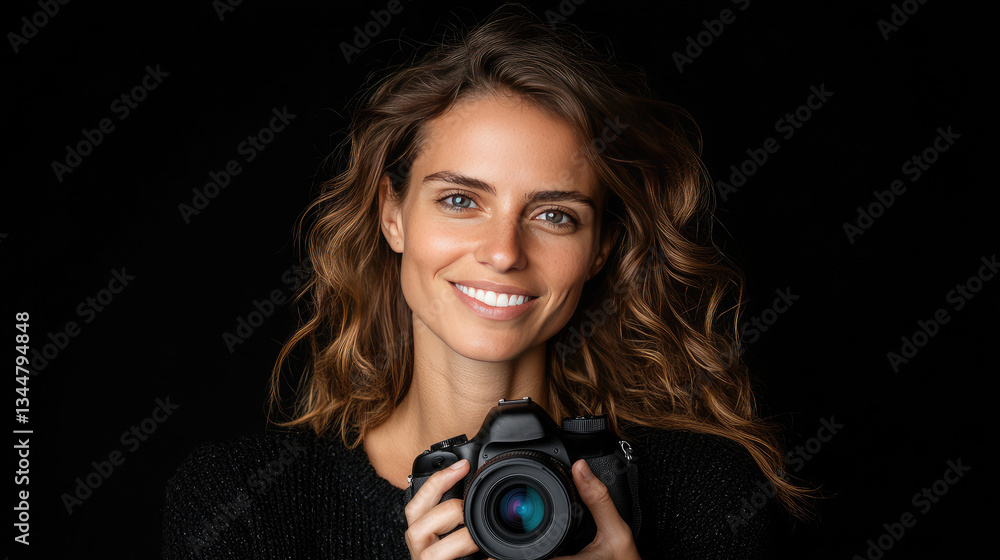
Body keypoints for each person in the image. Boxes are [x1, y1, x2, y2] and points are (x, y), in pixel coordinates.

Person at [163, 6, 812, 559]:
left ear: (599, 249)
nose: (503, 253)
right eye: (460, 201)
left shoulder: (707, 495)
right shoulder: (245, 502)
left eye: (554, 215)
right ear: (392, 214)